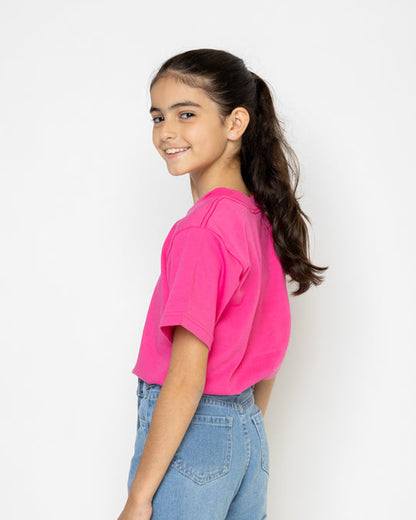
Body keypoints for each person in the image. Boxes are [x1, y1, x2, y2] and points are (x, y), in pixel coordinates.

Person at [117, 48, 328, 520]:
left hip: (193, 436)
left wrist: (139, 497)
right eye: (158, 117)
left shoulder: (202, 231)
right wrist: (235, 428)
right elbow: (271, 350)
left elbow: (187, 373)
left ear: (235, 123)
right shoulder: (259, 219)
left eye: (186, 114)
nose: (166, 132)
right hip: (246, 433)